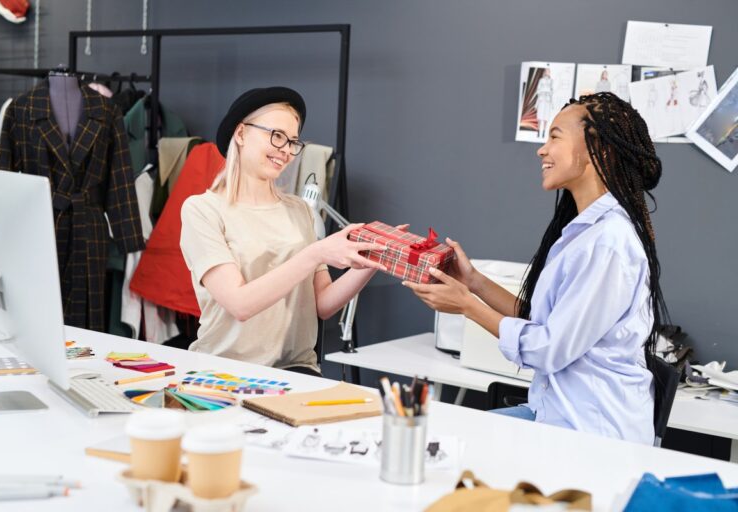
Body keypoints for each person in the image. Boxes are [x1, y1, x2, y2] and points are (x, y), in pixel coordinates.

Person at [405, 92, 667, 445]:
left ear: (599, 149)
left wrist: (466, 306)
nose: (541, 150)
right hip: (555, 414)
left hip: (593, 434)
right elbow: (544, 323)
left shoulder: (608, 243)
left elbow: (549, 349)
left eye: (555, 136)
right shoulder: (584, 232)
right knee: (443, 441)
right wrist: (474, 282)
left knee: (447, 450)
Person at [180, 87, 388, 376]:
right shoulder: (202, 210)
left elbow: (323, 304)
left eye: (292, 142)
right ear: (240, 134)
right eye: (276, 136)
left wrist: (372, 259)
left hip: (297, 371)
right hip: (223, 371)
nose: (287, 151)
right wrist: (316, 253)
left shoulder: (299, 210)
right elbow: (240, 304)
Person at [535, 68, 553, 139]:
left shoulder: (551, 81)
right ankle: (538, 131)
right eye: (547, 71)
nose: (548, 73)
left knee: (546, 117)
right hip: (541, 100)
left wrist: (548, 92)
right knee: (540, 117)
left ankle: (543, 133)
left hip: (547, 101)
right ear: (545, 72)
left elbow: (552, 91)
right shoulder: (541, 80)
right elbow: (538, 90)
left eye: (549, 71)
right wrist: (543, 91)